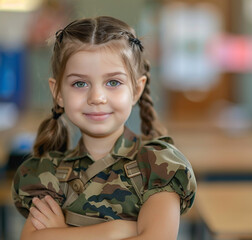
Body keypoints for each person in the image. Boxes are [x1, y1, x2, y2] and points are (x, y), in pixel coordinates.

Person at [12, 16, 196, 240]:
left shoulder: (157, 166)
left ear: (136, 90)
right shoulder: (46, 172)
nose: (97, 97)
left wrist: (62, 233)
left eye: (113, 82)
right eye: (80, 83)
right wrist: (116, 231)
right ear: (58, 92)